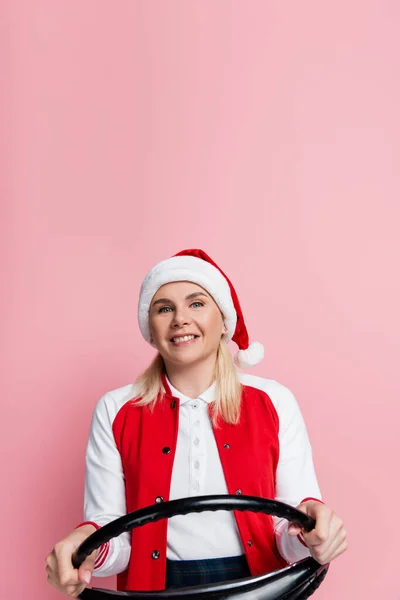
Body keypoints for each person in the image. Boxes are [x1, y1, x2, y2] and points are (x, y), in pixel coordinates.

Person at [45, 249, 348, 598]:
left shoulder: (274, 401)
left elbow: (288, 536)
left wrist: (313, 535)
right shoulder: (115, 410)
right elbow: (116, 543)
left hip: (258, 585)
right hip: (157, 589)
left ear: (224, 320)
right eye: (164, 308)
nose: (180, 319)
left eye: (197, 303)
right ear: (150, 327)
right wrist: (85, 546)